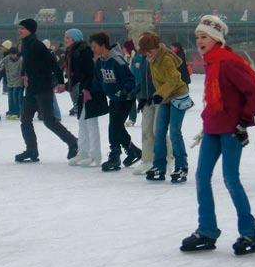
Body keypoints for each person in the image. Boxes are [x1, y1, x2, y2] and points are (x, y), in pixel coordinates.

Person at [180, 15, 255, 256]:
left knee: (230, 179)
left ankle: (249, 232)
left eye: (204, 36)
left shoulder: (228, 62)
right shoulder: (211, 62)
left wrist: (244, 121)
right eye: (197, 37)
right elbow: (217, 98)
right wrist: (207, 121)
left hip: (230, 130)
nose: (199, 41)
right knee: (202, 176)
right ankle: (207, 230)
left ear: (216, 39)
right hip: (213, 127)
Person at [15, 18, 78, 163]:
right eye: (20, 28)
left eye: (22, 28)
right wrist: (23, 73)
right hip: (31, 89)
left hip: (43, 88)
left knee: (49, 121)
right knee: (25, 119)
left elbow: (53, 64)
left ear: (30, 30)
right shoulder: (25, 44)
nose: (20, 31)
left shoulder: (38, 45)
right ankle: (31, 150)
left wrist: (61, 82)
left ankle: (73, 142)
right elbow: (26, 61)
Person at [138, 32, 192, 183]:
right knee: (159, 132)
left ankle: (182, 166)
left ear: (155, 48)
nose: (147, 55)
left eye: (149, 51)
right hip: (165, 97)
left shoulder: (166, 59)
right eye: (145, 52)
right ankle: (159, 166)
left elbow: (174, 79)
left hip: (178, 96)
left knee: (174, 131)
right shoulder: (152, 59)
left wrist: (160, 94)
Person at [89, 32, 142, 172]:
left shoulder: (117, 60)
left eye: (94, 46)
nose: (93, 49)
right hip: (113, 98)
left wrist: (124, 91)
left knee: (114, 126)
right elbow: (98, 81)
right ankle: (132, 151)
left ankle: (115, 155)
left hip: (125, 99)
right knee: (116, 127)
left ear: (102, 45)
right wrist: (89, 91)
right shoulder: (100, 62)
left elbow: (131, 79)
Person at [64, 28, 108, 167]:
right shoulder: (74, 52)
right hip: (84, 90)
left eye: (67, 37)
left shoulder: (84, 52)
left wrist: (86, 88)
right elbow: (78, 74)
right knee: (82, 121)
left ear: (75, 39)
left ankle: (94, 154)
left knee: (90, 122)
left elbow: (88, 73)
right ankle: (83, 151)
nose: (65, 40)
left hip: (91, 91)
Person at [129, 43, 173, 176]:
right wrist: (135, 93)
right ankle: (147, 160)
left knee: (157, 130)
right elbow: (142, 79)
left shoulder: (163, 57)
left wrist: (161, 94)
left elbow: (169, 79)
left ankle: (168, 157)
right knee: (146, 130)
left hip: (160, 99)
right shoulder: (143, 58)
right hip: (146, 99)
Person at [3, 47, 24, 119]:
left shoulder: (20, 60)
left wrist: (24, 80)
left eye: (14, 54)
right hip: (10, 82)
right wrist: (4, 60)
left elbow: (22, 71)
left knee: (16, 97)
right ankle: (11, 111)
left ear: (16, 54)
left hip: (18, 82)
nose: (12, 56)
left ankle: (17, 112)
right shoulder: (7, 59)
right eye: (11, 54)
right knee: (10, 98)